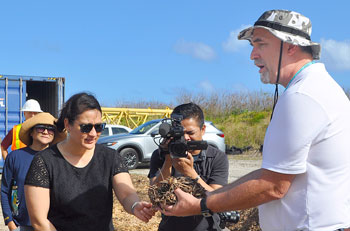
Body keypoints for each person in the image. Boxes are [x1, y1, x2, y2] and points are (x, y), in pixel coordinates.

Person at [161, 10, 350, 231]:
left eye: (260, 44)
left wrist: (201, 204)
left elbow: (273, 186)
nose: (252, 55)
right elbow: (268, 174)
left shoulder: (303, 96)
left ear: (290, 46)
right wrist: (216, 195)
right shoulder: (321, 88)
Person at [24, 92, 155, 231]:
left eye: (98, 127)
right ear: (68, 124)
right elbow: (39, 221)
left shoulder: (110, 157)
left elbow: (127, 194)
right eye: (86, 127)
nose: (93, 133)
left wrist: (135, 206)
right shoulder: (44, 162)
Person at [148, 102, 229, 231]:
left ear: (203, 129)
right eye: (179, 133)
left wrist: (190, 173)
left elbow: (217, 198)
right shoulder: (160, 155)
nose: (185, 138)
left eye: (190, 132)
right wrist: (168, 159)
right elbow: (154, 193)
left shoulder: (217, 157)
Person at [1, 112, 65, 231]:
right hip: (21, 225)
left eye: (51, 129)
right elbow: (5, 190)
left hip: (51, 225)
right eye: (41, 128)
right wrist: (9, 221)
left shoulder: (59, 159)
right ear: (31, 132)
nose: (46, 132)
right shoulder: (15, 157)